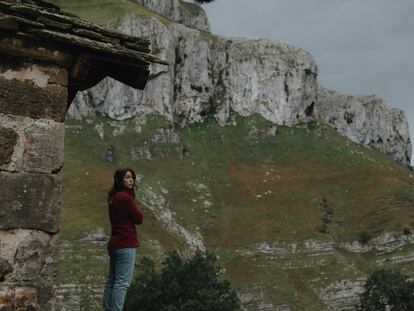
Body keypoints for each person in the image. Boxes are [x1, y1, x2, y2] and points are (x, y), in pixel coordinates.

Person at [103, 167, 144, 311]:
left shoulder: (113, 198)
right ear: (120, 180)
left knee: (112, 281)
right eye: (127, 177)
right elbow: (139, 218)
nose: (131, 179)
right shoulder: (125, 198)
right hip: (126, 244)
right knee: (122, 283)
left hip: (114, 244)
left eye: (132, 177)